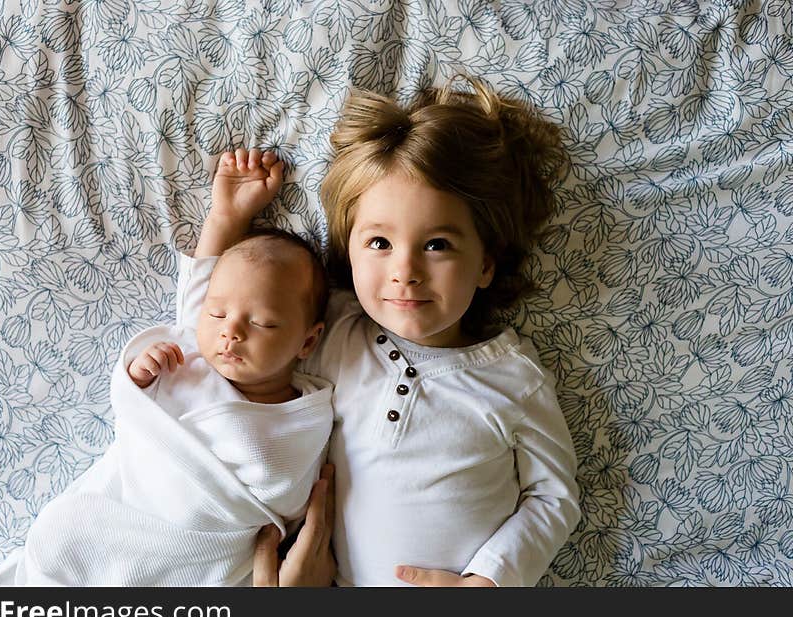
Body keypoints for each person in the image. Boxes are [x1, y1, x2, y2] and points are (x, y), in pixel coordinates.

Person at [217, 76, 582, 587]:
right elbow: (227, 318)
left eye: (436, 245)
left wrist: (490, 580)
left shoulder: (512, 378)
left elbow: (554, 498)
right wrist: (227, 221)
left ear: (485, 265)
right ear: (348, 252)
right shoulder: (331, 331)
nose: (405, 271)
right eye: (379, 243)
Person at [0, 152, 336, 586]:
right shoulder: (190, 354)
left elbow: (284, 495)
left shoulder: (306, 416)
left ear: (307, 341)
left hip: (194, 552)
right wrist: (138, 376)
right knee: (62, 549)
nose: (231, 333)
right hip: (111, 523)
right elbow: (201, 285)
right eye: (218, 314)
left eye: (262, 323)